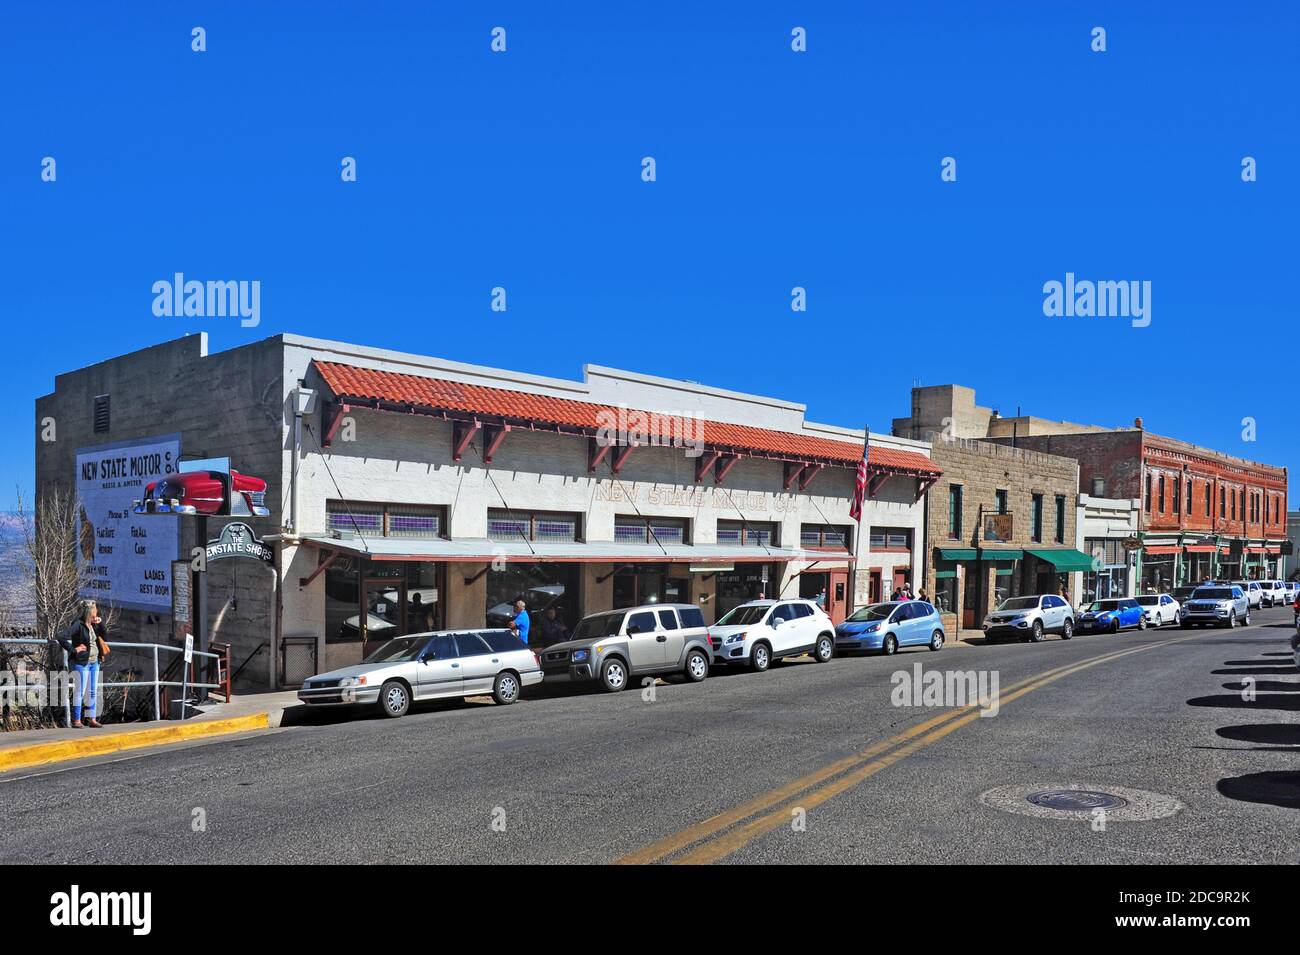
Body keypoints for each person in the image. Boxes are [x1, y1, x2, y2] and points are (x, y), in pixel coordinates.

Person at [56, 599, 110, 729]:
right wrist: (74, 650)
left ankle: (92, 719)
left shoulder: (94, 625)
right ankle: (76, 720)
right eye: (95, 609)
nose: (97, 611)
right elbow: (61, 637)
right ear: (90, 611)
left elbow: (105, 637)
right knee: (80, 691)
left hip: (95, 662)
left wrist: (101, 624)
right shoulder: (78, 624)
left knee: (92, 691)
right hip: (81, 663)